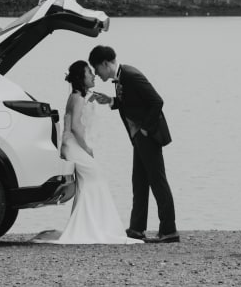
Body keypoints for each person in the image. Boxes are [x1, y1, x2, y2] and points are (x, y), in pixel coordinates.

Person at [34, 60, 138, 245]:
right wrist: (87, 148)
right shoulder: (77, 97)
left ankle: (89, 225)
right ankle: (91, 226)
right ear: (81, 78)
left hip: (73, 144)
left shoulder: (80, 96)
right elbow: (75, 126)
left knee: (89, 182)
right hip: (73, 145)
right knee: (95, 177)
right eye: (89, 73)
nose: (93, 75)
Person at [88, 44, 179, 243]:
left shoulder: (130, 74)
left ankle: (169, 230)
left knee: (157, 181)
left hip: (147, 136)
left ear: (105, 64)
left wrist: (145, 129)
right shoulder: (120, 77)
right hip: (138, 137)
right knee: (139, 182)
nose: (97, 74)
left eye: (97, 69)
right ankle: (137, 229)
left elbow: (157, 101)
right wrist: (111, 101)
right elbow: (132, 102)